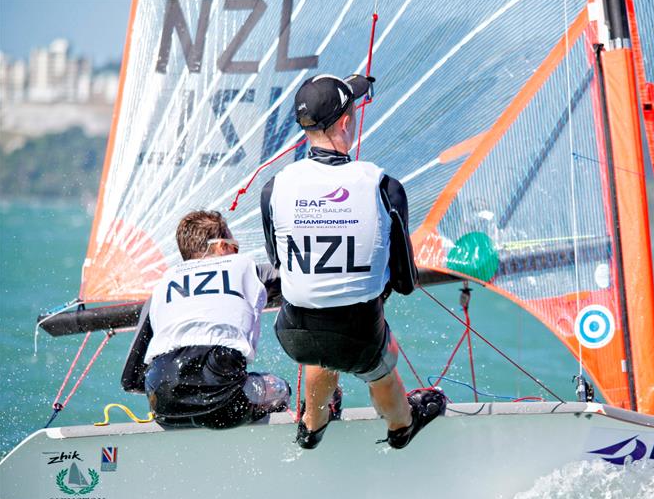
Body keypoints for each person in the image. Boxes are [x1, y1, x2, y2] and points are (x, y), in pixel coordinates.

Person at [260, 73, 446, 449]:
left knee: (324, 344)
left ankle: (312, 424)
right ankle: (401, 427)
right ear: (346, 122)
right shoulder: (383, 185)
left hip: (293, 333)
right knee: (381, 363)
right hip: (359, 337)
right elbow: (406, 281)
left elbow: (279, 262)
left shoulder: (274, 187)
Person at [121, 210, 290, 429]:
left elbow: (131, 380)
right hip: (226, 408)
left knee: (189, 400)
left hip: (164, 408)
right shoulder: (247, 269)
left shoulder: (159, 290)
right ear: (221, 246)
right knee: (279, 388)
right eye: (235, 248)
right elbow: (302, 280)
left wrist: (184, 395)